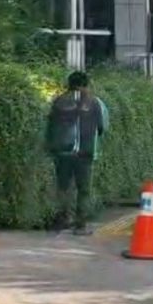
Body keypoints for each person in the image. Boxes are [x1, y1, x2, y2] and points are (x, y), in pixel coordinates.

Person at [46, 71, 108, 235]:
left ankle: (61, 219)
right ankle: (80, 226)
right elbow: (102, 127)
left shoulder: (58, 101)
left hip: (62, 153)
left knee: (63, 187)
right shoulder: (94, 102)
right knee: (83, 190)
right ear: (85, 84)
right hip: (84, 153)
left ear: (69, 83)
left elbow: (50, 125)